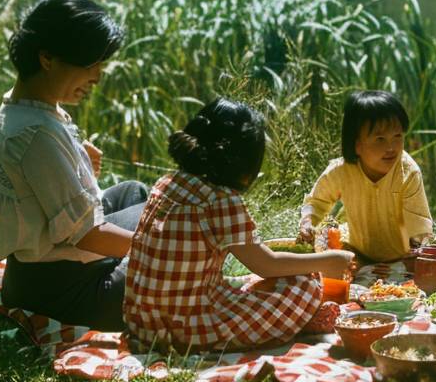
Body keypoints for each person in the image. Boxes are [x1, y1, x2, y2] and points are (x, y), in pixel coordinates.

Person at [124, 98, 353, 352]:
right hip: (186, 330)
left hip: (143, 324)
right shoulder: (220, 199)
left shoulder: (166, 183)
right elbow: (266, 265)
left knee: (250, 280)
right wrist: (328, 260)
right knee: (305, 286)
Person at [0, 0, 148, 330]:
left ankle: (137, 251)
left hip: (31, 272)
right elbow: (87, 235)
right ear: (47, 58)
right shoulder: (35, 135)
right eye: (91, 65)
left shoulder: (20, 110)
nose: (98, 77)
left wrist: (78, 163)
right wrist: (163, 248)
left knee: (136, 193)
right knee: (164, 229)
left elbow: (37, 189)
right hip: (66, 292)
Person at [298, 91, 432, 265]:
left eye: (397, 136)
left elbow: (418, 229)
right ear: (357, 145)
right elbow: (315, 202)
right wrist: (307, 223)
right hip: (356, 254)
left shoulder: (408, 173)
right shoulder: (342, 171)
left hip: (400, 259)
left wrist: (416, 256)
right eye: (380, 139)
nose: (391, 147)